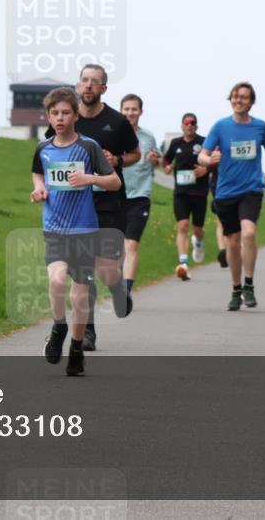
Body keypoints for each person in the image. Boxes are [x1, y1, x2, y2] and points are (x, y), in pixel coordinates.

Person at [45, 65, 140, 351]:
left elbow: (135, 153)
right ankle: (87, 332)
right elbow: (51, 154)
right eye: (84, 80)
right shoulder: (66, 121)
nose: (88, 86)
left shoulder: (117, 121)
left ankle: (117, 288)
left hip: (107, 202)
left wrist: (118, 160)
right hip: (73, 208)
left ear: (103, 89)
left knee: (106, 268)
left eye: (94, 82)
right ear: (78, 85)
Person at [32, 88, 121, 377]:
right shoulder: (43, 149)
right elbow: (37, 172)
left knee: (80, 297)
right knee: (57, 280)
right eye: (54, 113)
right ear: (48, 115)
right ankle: (59, 326)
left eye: (65, 112)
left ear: (76, 115)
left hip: (84, 229)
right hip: (54, 228)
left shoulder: (88, 147)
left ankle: (77, 347)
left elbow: (114, 182)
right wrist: (39, 188)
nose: (60, 118)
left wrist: (89, 178)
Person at [198, 82, 265, 311]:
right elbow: (203, 154)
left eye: (244, 97)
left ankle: (249, 284)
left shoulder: (261, 127)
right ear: (230, 99)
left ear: (251, 101)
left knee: (249, 233)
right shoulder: (220, 126)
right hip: (225, 191)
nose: (239, 100)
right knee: (232, 242)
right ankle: (235, 288)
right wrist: (208, 160)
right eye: (235, 96)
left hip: (251, 189)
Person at [119, 94, 159, 304]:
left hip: (140, 196)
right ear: (120, 111)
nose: (130, 113)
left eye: (134, 109)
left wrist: (155, 160)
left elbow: (157, 161)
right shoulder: (114, 135)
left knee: (131, 244)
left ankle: (126, 291)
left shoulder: (148, 137)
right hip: (116, 196)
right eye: (126, 109)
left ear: (140, 112)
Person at [162, 113, 211, 280]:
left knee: (197, 229)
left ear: (196, 126)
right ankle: (183, 263)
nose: (189, 125)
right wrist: (167, 166)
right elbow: (166, 159)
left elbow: (214, 161)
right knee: (182, 225)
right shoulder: (176, 143)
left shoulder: (204, 142)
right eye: (186, 123)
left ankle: (198, 243)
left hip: (199, 192)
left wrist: (206, 170)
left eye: (193, 123)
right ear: (182, 126)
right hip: (181, 193)